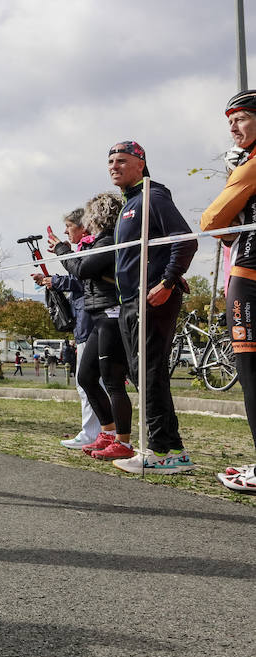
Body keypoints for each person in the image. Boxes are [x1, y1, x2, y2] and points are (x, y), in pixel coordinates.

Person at [107, 140, 197, 474]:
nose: (114, 166)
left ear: (140, 164)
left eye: (122, 160)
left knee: (149, 372)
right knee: (141, 374)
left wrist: (168, 282)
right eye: (110, 161)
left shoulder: (152, 196)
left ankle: (162, 451)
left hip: (152, 299)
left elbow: (185, 241)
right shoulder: (129, 202)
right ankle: (171, 448)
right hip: (129, 302)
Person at [200, 90, 256, 492]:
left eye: (240, 118)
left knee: (252, 375)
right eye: (229, 122)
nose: (233, 128)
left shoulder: (250, 165)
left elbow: (210, 220)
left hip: (249, 277)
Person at [56, 193, 134, 461]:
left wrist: (63, 251)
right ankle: (108, 432)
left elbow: (82, 269)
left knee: (113, 382)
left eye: (89, 215)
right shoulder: (98, 241)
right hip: (97, 315)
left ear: (97, 216)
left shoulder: (109, 239)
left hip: (112, 313)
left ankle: (123, 440)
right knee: (86, 377)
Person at [34, 208, 103, 450]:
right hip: (85, 322)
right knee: (93, 382)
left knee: (88, 383)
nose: (65, 231)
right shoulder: (85, 249)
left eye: (69, 227)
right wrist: (52, 280)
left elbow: (84, 280)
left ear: (83, 227)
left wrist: (56, 280)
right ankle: (101, 432)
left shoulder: (92, 248)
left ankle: (93, 432)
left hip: (90, 322)